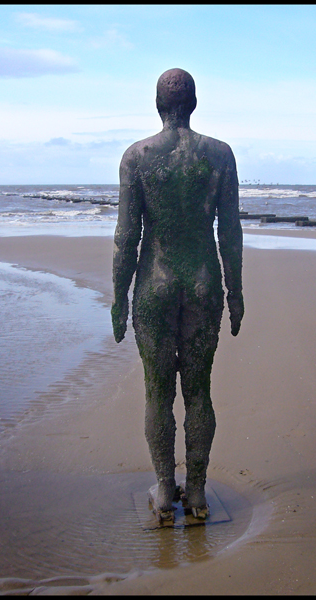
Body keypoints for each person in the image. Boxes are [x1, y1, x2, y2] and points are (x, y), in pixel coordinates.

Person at [112, 68, 243, 520]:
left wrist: (117, 297)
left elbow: (127, 236)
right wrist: (235, 290)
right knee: (199, 391)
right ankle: (200, 491)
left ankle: (166, 488)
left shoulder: (137, 156)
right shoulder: (220, 155)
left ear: (157, 104)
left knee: (157, 393)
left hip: (155, 283)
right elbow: (230, 231)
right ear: (193, 103)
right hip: (204, 281)